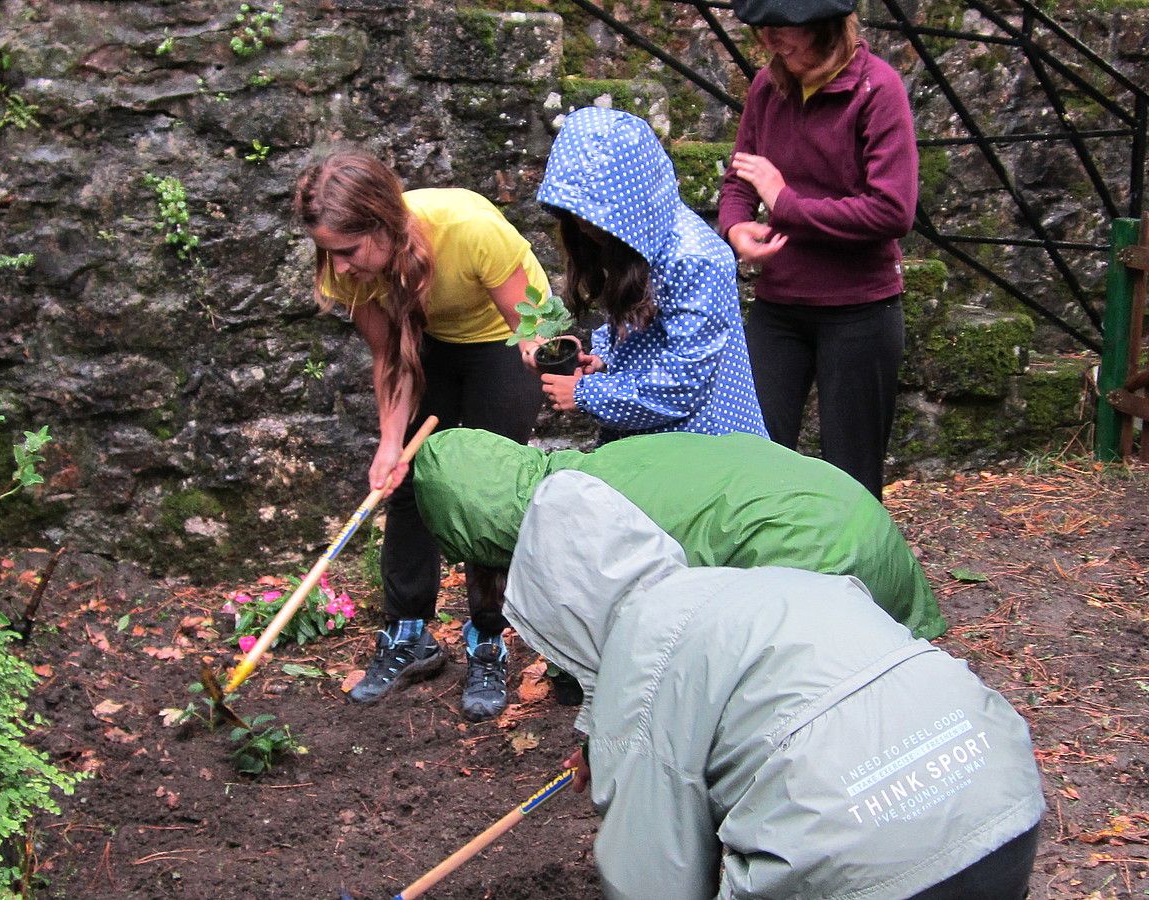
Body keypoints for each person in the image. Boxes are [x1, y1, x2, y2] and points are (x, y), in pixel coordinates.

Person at [505, 470, 1044, 900]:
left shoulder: (639, 668)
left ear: (559, 612)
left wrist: (619, 750)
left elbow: (651, 875)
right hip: (1001, 802)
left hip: (861, 870)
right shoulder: (764, 584)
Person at [292, 151, 551, 721]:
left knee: (487, 492)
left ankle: (488, 638)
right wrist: (390, 446)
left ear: (383, 225)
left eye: (347, 250)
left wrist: (543, 355)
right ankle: (408, 633)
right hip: (429, 344)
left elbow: (532, 324)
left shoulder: (470, 228)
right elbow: (390, 357)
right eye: (327, 252)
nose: (338, 266)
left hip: (503, 342)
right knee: (404, 485)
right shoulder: (352, 272)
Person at [414, 427, 946, 640]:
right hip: (867, 527)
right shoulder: (611, 460)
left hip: (822, 571)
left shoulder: (580, 533)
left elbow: (642, 651)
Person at [718, 0, 918, 498]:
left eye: (783, 29)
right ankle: (765, 570)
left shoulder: (877, 89)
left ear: (825, 26)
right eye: (762, 30)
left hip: (861, 309)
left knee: (851, 473)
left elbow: (893, 211)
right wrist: (736, 226)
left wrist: (785, 203)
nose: (770, 42)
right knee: (753, 452)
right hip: (780, 306)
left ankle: (855, 572)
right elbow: (743, 178)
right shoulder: (768, 86)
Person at [536, 106, 768, 442]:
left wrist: (587, 394)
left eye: (594, 219)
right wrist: (602, 358)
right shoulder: (635, 241)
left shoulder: (696, 260)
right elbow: (643, 329)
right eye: (576, 216)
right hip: (648, 439)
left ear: (632, 199)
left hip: (702, 445)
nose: (584, 228)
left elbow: (682, 382)